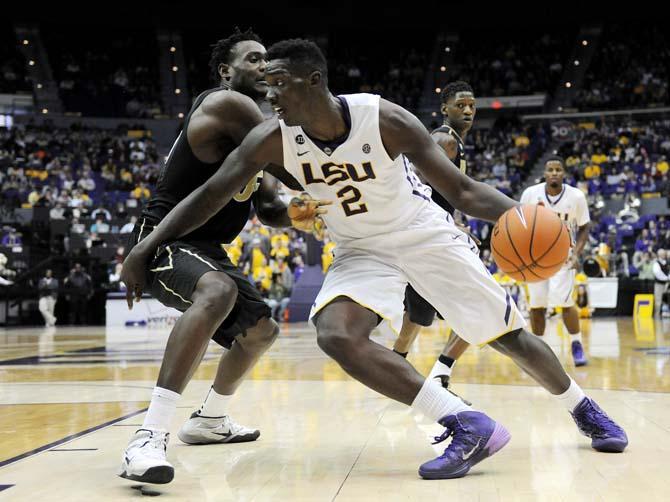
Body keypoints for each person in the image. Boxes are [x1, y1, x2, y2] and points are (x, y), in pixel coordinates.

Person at [121, 39, 627, 481]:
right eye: (266, 85)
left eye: (279, 84)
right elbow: (210, 194)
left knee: (508, 335)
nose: (269, 96)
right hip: (360, 248)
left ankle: (583, 409)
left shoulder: (383, 118)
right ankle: (463, 422)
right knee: (336, 334)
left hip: (421, 234)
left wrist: (523, 216)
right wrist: (144, 247)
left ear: (313, 81)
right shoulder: (270, 137)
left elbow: (462, 190)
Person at [117, 29, 324, 485]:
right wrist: (345, 184)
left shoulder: (253, 132)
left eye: (267, 59)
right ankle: (147, 437)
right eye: (253, 59)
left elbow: (269, 207)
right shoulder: (229, 104)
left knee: (260, 331)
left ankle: (210, 419)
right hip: (163, 239)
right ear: (227, 72)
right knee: (218, 290)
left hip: (205, 247)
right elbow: (290, 164)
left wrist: (304, 215)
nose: (264, 65)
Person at [392, 81, 475, 388]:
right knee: (479, 303)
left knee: (418, 312)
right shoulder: (444, 140)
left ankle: (396, 362)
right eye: (460, 105)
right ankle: (441, 371)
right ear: (445, 109)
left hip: (426, 234)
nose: (467, 110)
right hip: (428, 233)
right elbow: (416, 187)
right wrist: (449, 223)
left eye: (471, 105)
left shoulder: (453, 141)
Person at [519, 157, 591, 366]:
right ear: (544, 173)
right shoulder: (530, 194)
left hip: (564, 255)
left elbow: (585, 226)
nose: (554, 173)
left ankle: (576, 345)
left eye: (558, 170)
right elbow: (520, 223)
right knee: (537, 304)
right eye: (550, 169)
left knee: (566, 302)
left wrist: (577, 252)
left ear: (564, 173)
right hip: (535, 256)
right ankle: (538, 351)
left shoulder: (576, 196)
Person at [652, 249, 669, 316]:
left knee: (667, 300)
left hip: (667, 284)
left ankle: (666, 314)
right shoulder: (656, 263)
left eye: (664, 254)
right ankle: (657, 315)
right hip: (659, 284)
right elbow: (658, 273)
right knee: (658, 301)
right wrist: (667, 278)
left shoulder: (667, 262)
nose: (663, 255)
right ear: (659, 255)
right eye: (662, 254)